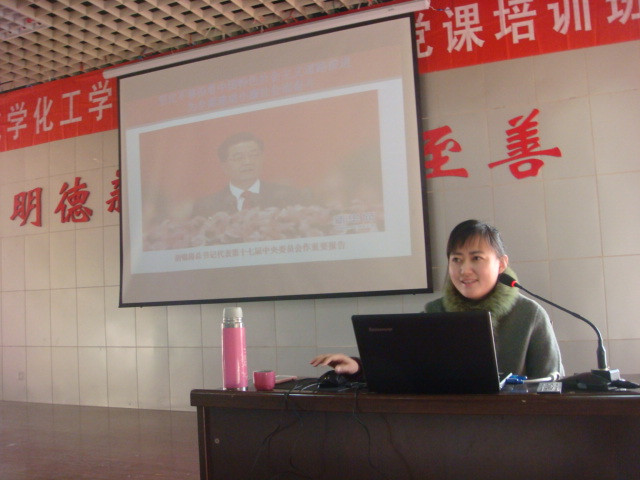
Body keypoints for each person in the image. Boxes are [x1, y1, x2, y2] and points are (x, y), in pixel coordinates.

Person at [311, 219, 564, 379]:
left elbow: (553, 384)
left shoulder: (529, 314)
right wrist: (358, 367)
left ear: (501, 264)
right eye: (456, 259)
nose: (464, 270)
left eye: (476, 258)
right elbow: (404, 369)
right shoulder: (434, 313)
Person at [192, 132, 307, 217]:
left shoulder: (287, 196)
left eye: (254, 155)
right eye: (238, 158)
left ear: (262, 158)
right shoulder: (206, 206)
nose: (248, 162)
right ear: (224, 166)